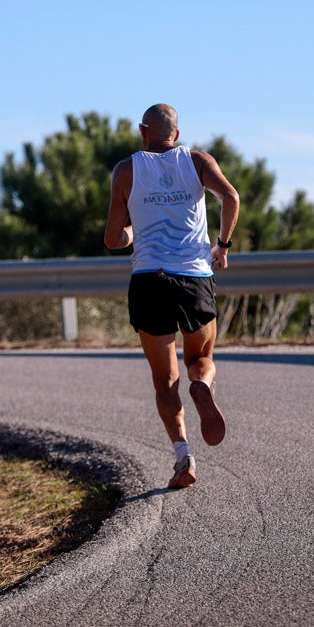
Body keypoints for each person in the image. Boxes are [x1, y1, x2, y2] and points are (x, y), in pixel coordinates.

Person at [104, 103, 240, 490]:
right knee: (201, 359)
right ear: (176, 135)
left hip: (148, 281)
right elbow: (231, 198)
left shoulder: (126, 170)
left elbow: (113, 238)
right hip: (193, 277)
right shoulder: (197, 161)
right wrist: (223, 246)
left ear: (142, 133)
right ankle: (203, 384)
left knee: (164, 381)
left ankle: (184, 458)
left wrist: (134, 233)